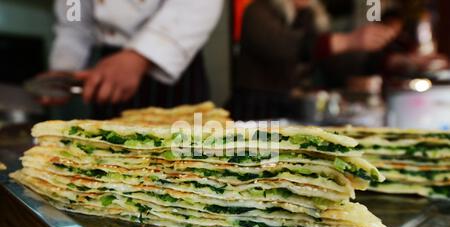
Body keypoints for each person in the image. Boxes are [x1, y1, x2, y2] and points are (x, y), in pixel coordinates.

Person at [41, 0, 224, 119]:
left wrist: (140, 56)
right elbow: (74, 17)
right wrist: (65, 68)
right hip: (107, 67)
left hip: (169, 55)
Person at [228, 0, 401, 121]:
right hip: (256, 109)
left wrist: (392, 62)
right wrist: (348, 41)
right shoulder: (257, 11)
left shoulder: (310, 16)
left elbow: (335, 62)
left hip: (293, 108)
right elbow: (282, 45)